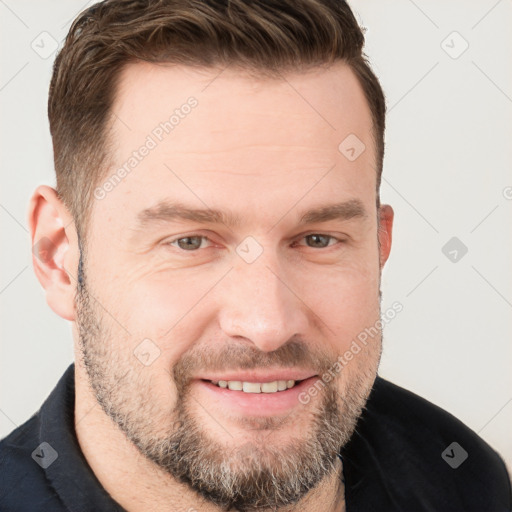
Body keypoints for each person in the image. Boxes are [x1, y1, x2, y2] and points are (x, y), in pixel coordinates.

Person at [1, 0, 510, 511]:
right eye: (191, 242)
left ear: (379, 248)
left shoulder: (466, 483)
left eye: (318, 239)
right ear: (58, 257)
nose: (268, 324)